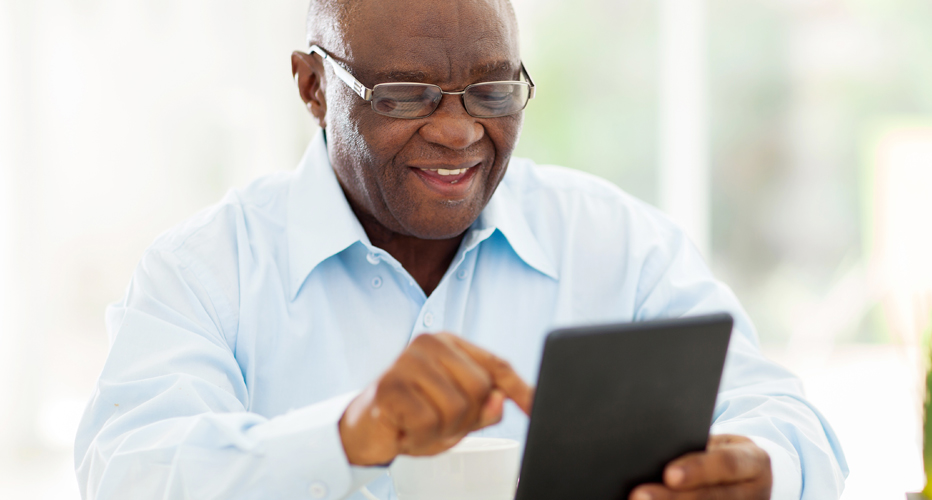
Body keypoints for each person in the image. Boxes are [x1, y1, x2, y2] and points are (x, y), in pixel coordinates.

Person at [75, 0, 848, 498]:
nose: (458, 131)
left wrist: (761, 469)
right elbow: (128, 471)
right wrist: (349, 435)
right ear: (313, 87)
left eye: (493, 90)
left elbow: (789, 418)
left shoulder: (619, 245)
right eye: (405, 95)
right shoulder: (206, 270)